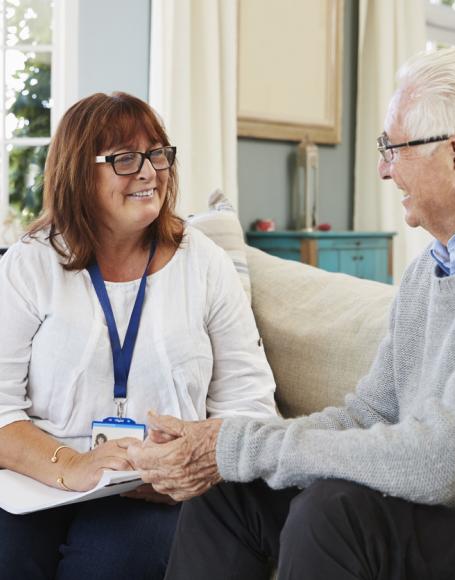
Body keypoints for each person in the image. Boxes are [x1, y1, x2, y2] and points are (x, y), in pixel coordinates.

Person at [128, 44, 455, 579]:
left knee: (335, 515)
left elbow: (438, 460)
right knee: (232, 493)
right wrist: (228, 452)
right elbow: (369, 415)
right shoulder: (435, 265)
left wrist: (237, 444)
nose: (385, 169)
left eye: (394, 147)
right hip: (450, 522)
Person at [0, 91, 277, 580]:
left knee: (115, 564)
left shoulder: (204, 262)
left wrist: (190, 463)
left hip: (158, 490)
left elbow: (250, 403)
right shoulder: (31, 264)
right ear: (77, 174)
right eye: (125, 159)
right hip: (42, 476)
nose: (149, 172)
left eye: (157, 154)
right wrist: (73, 465)